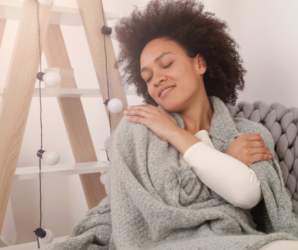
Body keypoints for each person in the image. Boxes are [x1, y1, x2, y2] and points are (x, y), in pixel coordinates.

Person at [114, 0, 298, 249]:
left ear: (200, 63)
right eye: (147, 77)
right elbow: (156, 211)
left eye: (166, 64)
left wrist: (175, 134)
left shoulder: (247, 133)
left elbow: (245, 194)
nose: (157, 79)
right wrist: (226, 159)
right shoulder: (139, 127)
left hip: (232, 238)